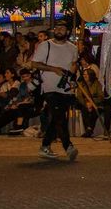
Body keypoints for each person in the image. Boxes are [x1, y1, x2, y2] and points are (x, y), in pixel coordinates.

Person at [30, 21, 79, 161]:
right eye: (57, 28)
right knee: (59, 115)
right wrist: (53, 69)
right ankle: (68, 146)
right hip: (49, 87)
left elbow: (73, 64)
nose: (58, 30)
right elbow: (35, 64)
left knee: (58, 117)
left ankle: (45, 146)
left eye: (62, 28)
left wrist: (71, 77)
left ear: (67, 32)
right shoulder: (45, 45)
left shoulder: (72, 48)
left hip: (65, 88)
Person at [76, 67, 105, 138]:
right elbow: (79, 96)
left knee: (94, 112)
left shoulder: (97, 84)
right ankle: (88, 129)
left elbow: (101, 96)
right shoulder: (81, 84)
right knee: (84, 111)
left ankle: (89, 129)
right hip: (85, 104)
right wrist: (86, 104)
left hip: (96, 104)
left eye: (86, 75)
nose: (84, 76)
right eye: (83, 74)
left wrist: (92, 103)